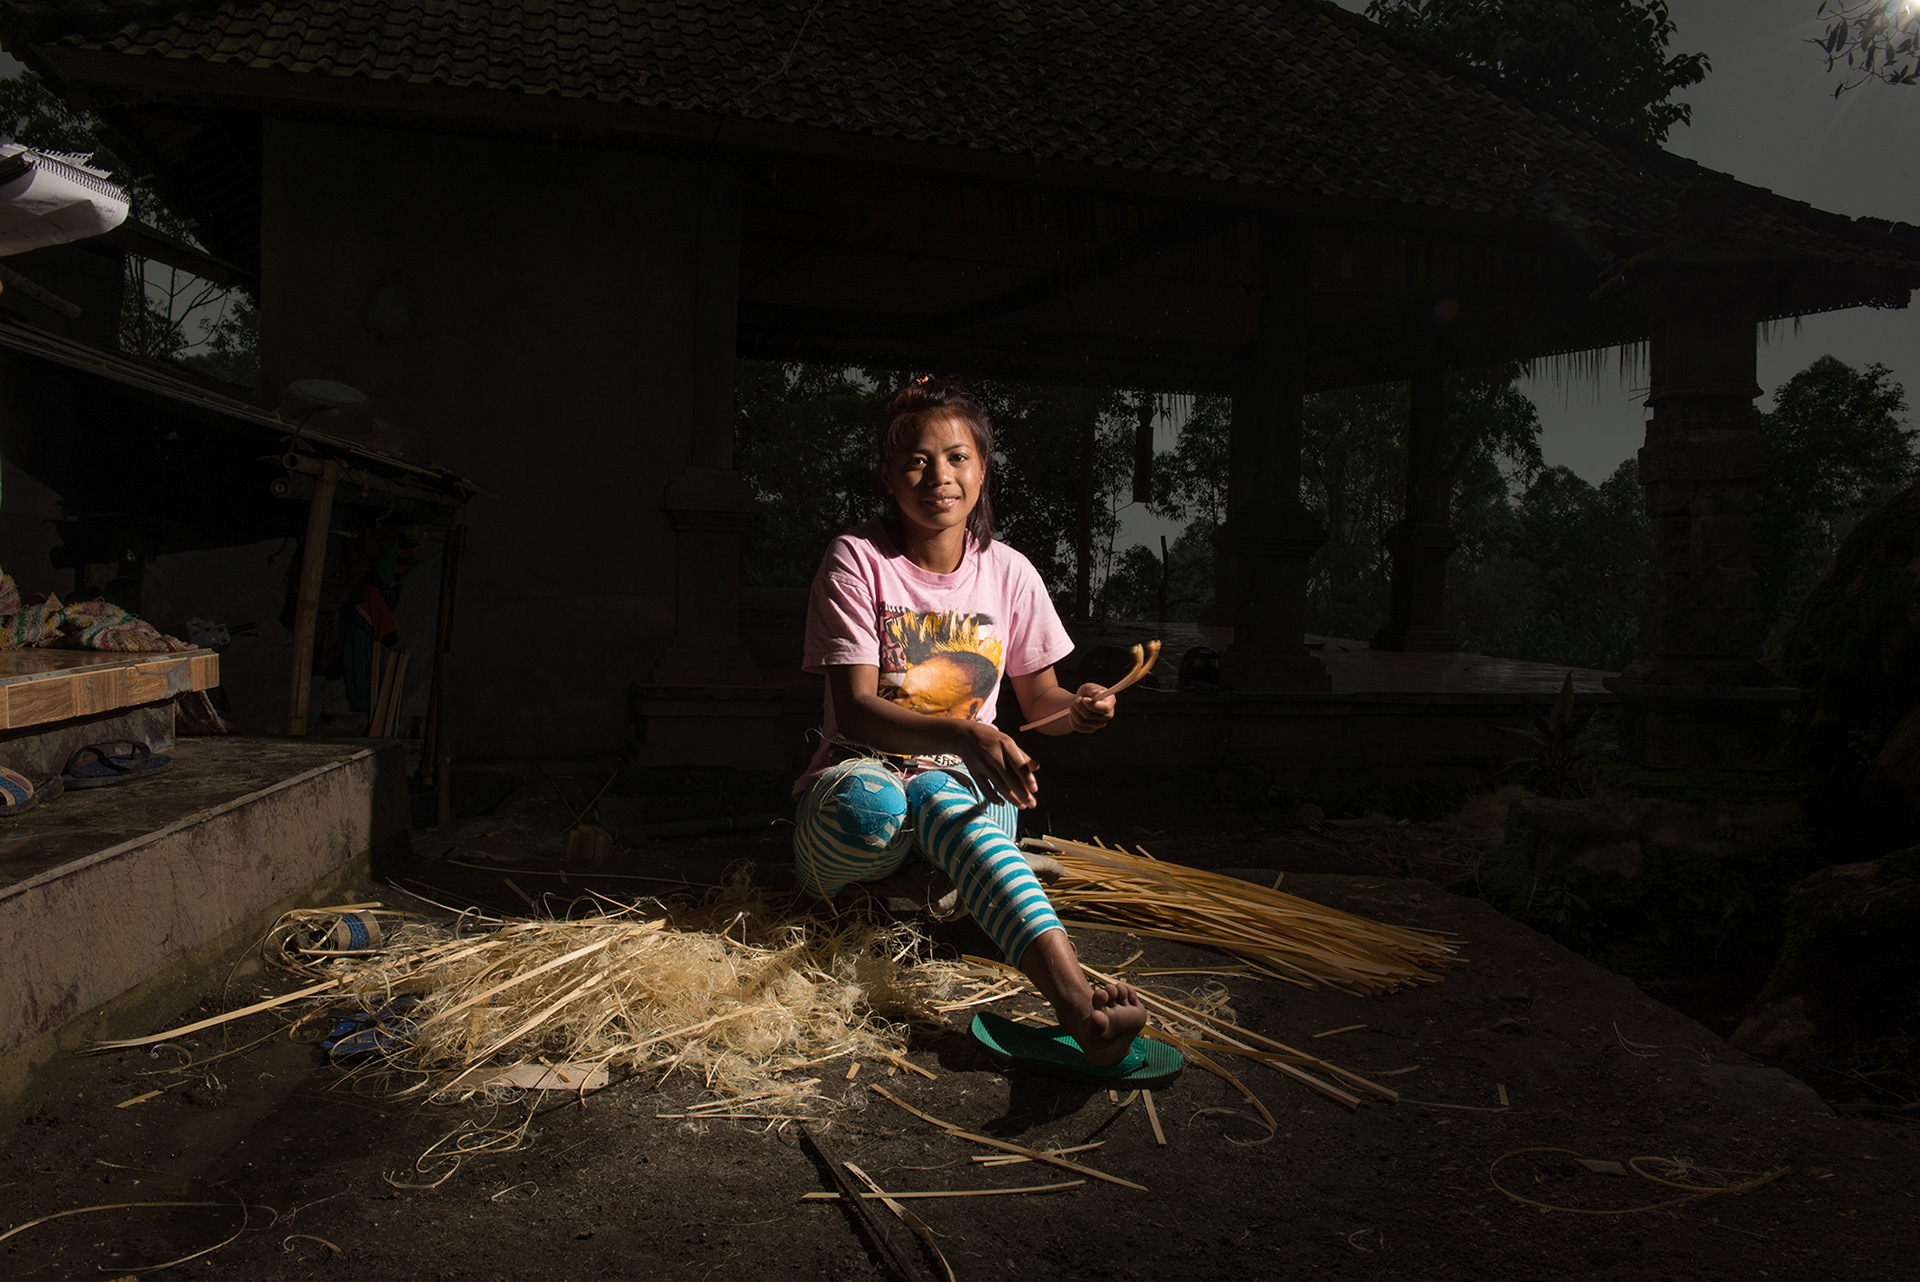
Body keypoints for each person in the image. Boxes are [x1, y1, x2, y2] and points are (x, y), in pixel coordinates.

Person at [791, 376, 1148, 1068]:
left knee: (939, 792)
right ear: (888, 476)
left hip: (962, 785)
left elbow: (1041, 702)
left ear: (983, 470)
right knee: (871, 805)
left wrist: (1079, 710)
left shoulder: (1009, 573)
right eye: (916, 461)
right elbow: (857, 707)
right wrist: (961, 731)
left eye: (958, 457)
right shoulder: (857, 560)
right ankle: (819, 893)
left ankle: (1081, 1012)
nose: (939, 477)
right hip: (864, 775)